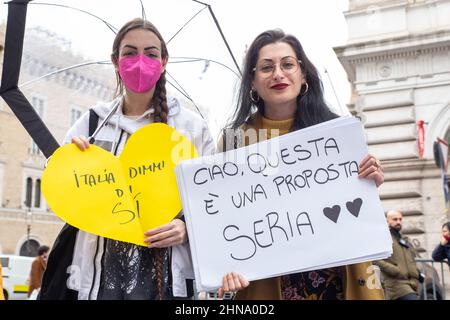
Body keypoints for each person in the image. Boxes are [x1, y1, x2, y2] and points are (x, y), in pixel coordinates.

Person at [39, 18, 214, 300]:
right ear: (115, 61)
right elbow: (57, 187)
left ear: (164, 61)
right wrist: (71, 162)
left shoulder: (191, 129)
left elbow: (211, 200)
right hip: (96, 281)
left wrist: (186, 228)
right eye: (130, 52)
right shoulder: (93, 122)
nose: (140, 61)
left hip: (169, 281)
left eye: (151, 53)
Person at [217, 29, 385, 300]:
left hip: (339, 276)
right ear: (252, 81)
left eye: (287, 64)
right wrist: (225, 265)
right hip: (269, 281)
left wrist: (370, 180)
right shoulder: (234, 141)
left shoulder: (338, 131)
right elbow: (223, 216)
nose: (278, 74)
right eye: (266, 68)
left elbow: (358, 206)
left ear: (303, 74)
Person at [373, 210, 422, 300]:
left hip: (412, 283)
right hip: (396, 284)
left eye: (400, 219)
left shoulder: (405, 239)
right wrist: (394, 270)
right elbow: (375, 259)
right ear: (387, 221)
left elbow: (412, 259)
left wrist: (417, 273)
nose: (398, 222)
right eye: (395, 219)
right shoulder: (383, 237)